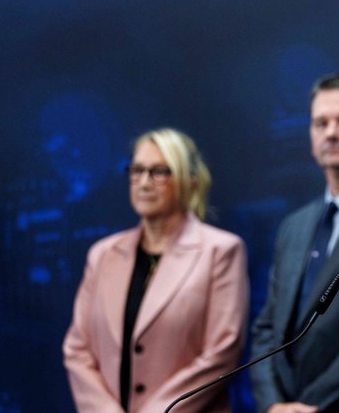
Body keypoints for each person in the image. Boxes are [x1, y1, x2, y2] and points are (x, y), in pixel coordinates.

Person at [63, 128, 249, 412]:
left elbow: (222, 352)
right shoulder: (102, 255)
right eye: (137, 170)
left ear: (189, 181)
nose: (144, 182)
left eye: (159, 171)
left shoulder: (220, 251)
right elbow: (77, 350)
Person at [250, 73, 339, 413]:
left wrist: (310, 406)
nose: (330, 133)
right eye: (320, 123)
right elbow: (267, 328)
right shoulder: (294, 225)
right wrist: (274, 404)